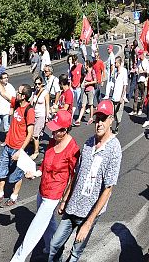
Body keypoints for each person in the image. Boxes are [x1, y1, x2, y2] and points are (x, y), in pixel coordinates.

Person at [48, 100, 122, 261]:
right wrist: (65, 199)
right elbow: (76, 173)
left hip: (89, 212)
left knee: (75, 254)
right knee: (54, 244)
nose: (99, 123)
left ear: (111, 119)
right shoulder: (89, 142)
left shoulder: (114, 149)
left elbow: (108, 189)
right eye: (97, 119)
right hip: (72, 205)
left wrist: (89, 223)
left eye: (103, 119)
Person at [10, 110, 79, 262]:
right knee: (50, 223)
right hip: (43, 189)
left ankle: (18, 258)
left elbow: (74, 177)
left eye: (56, 130)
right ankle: (52, 249)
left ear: (65, 130)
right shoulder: (53, 141)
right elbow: (45, 165)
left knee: (35, 228)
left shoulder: (73, 149)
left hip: (54, 195)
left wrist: (65, 200)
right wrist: (35, 173)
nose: (52, 132)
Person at [0, 82, 34, 207]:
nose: (16, 93)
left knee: (16, 176)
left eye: (19, 92)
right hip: (8, 146)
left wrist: (20, 151)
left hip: (18, 149)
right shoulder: (16, 103)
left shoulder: (29, 110)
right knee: (1, 171)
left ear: (23, 96)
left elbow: (30, 134)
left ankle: (13, 197)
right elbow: (3, 93)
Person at [29, 76, 49, 158]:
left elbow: (47, 105)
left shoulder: (45, 93)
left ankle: (36, 152)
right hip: (34, 115)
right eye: (36, 84)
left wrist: (47, 117)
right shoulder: (35, 92)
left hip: (41, 116)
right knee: (33, 133)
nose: (37, 85)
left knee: (35, 134)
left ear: (42, 84)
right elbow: (31, 103)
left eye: (39, 84)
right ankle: (34, 147)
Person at [75, 59, 97, 126]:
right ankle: (79, 119)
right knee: (83, 105)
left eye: (85, 65)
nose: (84, 66)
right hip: (85, 90)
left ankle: (91, 118)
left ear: (87, 65)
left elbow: (95, 81)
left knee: (90, 104)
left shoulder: (92, 71)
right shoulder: (86, 72)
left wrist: (88, 83)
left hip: (90, 89)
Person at [111, 56, 128, 135]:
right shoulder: (115, 71)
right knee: (111, 114)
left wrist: (122, 97)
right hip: (114, 96)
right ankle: (110, 128)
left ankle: (117, 127)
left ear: (119, 63)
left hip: (120, 98)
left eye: (115, 63)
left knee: (118, 116)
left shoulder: (124, 71)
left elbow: (125, 85)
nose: (114, 64)